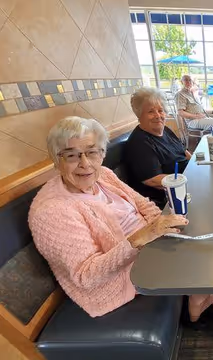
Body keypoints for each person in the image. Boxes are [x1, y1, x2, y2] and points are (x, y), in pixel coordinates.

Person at [28, 116, 188, 318]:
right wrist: (142, 238)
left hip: (151, 247)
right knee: (203, 266)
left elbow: (143, 204)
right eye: (72, 156)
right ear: (56, 160)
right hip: (123, 277)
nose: (85, 164)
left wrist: (162, 228)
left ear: (102, 153)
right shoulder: (52, 212)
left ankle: (203, 310)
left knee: (203, 249)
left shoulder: (103, 174)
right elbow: (86, 276)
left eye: (92, 152)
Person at [125, 87, 192, 209]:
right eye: (150, 112)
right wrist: (189, 180)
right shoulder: (139, 144)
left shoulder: (165, 130)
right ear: (139, 115)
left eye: (160, 110)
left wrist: (196, 167)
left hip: (186, 183)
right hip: (169, 199)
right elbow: (153, 180)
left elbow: (184, 152)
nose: (158, 116)